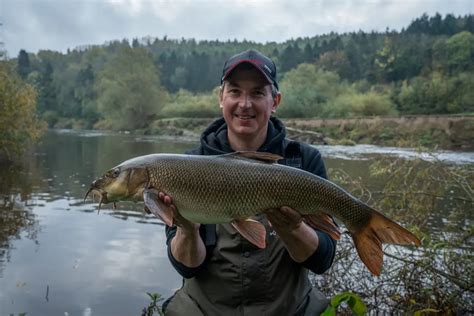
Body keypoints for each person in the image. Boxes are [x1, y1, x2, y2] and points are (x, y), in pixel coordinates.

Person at [160, 49, 337, 315]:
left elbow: (322, 260)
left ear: (275, 100)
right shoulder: (188, 166)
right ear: (221, 98)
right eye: (235, 92)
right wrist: (187, 229)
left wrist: (294, 228)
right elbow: (188, 267)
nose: (245, 104)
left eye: (257, 93)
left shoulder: (302, 160)